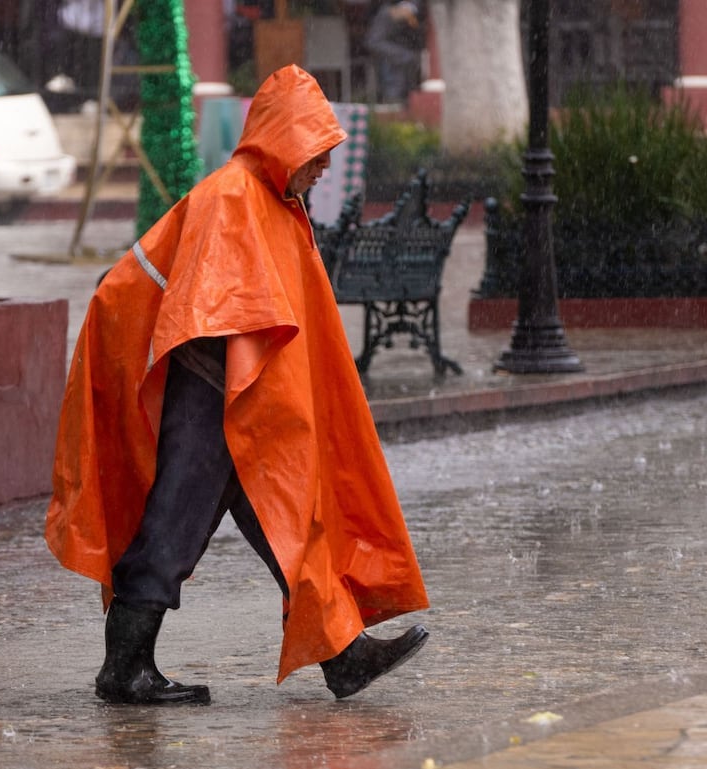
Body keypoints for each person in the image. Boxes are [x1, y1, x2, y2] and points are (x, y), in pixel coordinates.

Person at [45, 64, 430, 706]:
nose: (324, 167)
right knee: (183, 522)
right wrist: (255, 403)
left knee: (286, 519)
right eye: (316, 151)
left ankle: (340, 653)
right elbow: (209, 312)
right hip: (215, 396)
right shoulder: (233, 198)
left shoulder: (271, 203)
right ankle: (127, 668)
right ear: (284, 141)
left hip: (237, 398)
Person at [363, 0, 423, 106]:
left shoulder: (404, 17)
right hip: (386, 55)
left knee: (407, 61)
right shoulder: (386, 15)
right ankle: (394, 101)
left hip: (397, 51)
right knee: (398, 66)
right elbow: (373, 42)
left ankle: (400, 100)